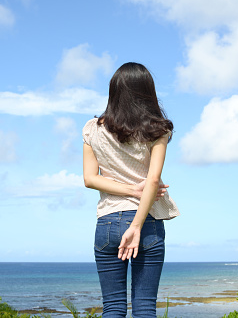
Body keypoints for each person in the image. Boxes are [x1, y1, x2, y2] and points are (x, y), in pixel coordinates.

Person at [82, 62, 180, 318]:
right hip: (146, 221)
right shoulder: (158, 129)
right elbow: (153, 179)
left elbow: (90, 179)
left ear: (114, 91)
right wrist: (135, 223)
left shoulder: (92, 129)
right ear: (147, 92)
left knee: (113, 307)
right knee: (144, 306)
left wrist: (128, 190)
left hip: (107, 222)